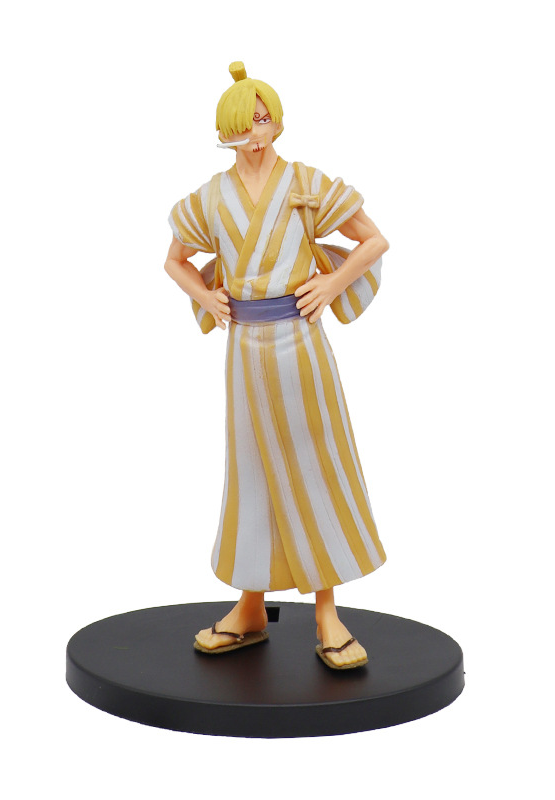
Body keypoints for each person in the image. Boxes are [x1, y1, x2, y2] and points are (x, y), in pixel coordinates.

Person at [164, 62, 389, 669]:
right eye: (244, 124)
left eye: (264, 121)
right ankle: (250, 606)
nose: (255, 134)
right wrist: (207, 296)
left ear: (278, 122)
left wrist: (332, 283)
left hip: (300, 340)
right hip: (243, 350)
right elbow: (174, 260)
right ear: (225, 131)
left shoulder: (305, 184)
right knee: (252, 472)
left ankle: (327, 612)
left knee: (316, 464)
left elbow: (373, 240)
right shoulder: (211, 198)